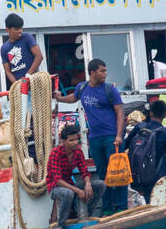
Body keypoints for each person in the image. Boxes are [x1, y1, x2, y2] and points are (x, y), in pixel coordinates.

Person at [52, 58, 125, 215]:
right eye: (102, 71)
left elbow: (120, 112)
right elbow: (73, 98)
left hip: (111, 137)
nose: (105, 74)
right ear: (92, 72)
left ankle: (121, 207)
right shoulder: (82, 87)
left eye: (105, 71)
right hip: (95, 138)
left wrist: (119, 136)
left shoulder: (110, 90)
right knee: (103, 173)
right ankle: (107, 209)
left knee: (118, 173)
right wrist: (59, 98)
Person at [45, 123, 104, 229]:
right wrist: (77, 190)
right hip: (55, 188)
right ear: (64, 141)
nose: (75, 142)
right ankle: (60, 225)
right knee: (68, 193)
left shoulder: (78, 152)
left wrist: (87, 183)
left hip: (70, 185)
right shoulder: (55, 154)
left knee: (100, 185)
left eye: (76, 139)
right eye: (71, 140)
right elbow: (57, 180)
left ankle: (87, 214)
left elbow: (84, 171)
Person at [124, 100, 166, 203]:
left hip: (139, 175)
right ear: (164, 115)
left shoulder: (139, 127)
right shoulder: (165, 133)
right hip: (158, 176)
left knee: (147, 200)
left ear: (150, 113)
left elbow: (126, 144)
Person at [1, 13, 42, 85]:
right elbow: (8, 71)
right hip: (19, 88)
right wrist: (17, 84)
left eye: (21, 28)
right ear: (8, 30)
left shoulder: (27, 37)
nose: (20, 31)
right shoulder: (4, 48)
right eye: (16, 29)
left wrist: (28, 76)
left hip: (34, 84)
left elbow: (39, 57)